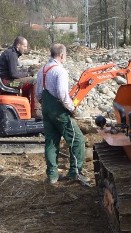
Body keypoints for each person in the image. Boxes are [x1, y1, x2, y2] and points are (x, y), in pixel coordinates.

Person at [35, 43, 90, 186]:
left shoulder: (42, 70)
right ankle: (74, 172)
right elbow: (62, 94)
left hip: (46, 110)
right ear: (62, 55)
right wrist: (72, 109)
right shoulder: (60, 71)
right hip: (59, 111)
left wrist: (46, 104)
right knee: (77, 139)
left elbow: (38, 94)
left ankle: (52, 176)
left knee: (51, 142)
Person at [0, 36, 40, 118]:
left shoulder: (9, 52)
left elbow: (13, 70)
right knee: (34, 81)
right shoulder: (12, 54)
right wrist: (28, 73)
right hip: (8, 82)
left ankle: (26, 108)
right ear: (18, 45)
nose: (26, 48)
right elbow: (14, 74)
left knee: (27, 82)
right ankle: (36, 111)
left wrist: (24, 71)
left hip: (4, 80)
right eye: (24, 46)